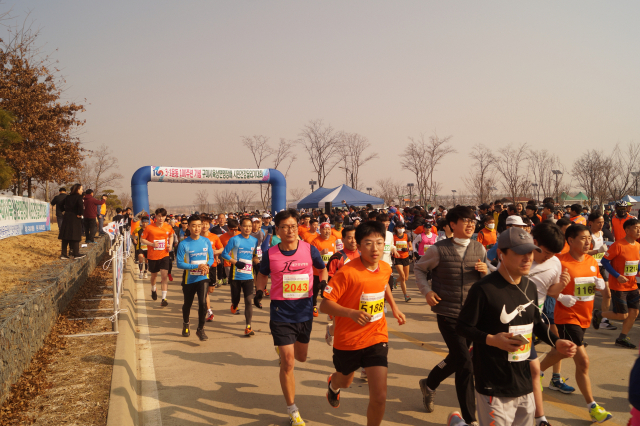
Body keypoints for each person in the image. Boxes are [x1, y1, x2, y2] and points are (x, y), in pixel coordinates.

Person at [452, 227, 577, 426]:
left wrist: (557, 341)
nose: (527, 258)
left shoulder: (529, 287)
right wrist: (492, 339)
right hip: (493, 383)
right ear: (501, 254)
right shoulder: (483, 289)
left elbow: (536, 323)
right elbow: (462, 327)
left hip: (524, 382)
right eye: (520, 253)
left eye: (530, 252)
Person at [320, 220, 407, 426]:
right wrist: (350, 313)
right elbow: (325, 305)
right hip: (348, 339)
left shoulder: (385, 267)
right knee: (346, 381)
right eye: (368, 243)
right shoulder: (347, 273)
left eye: (379, 242)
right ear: (358, 247)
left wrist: (394, 307)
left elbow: (383, 283)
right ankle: (334, 384)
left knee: (379, 396)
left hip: (376, 336)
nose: (375, 248)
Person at [414, 206, 488, 425]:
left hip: (474, 316)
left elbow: (487, 277)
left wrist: (486, 271)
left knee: (458, 358)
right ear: (451, 225)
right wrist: (427, 292)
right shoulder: (438, 250)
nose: (470, 224)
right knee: (465, 363)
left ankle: (429, 384)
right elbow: (419, 269)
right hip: (449, 314)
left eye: (472, 220)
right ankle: (470, 419)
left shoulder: (480, 248)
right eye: (465, 220)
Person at [254, 208, 327, 426]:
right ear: (277, 230)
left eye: (293, 226)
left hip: (304, 312)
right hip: (281, 313)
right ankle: (293, 411)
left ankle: (284, 349)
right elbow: (262, 274)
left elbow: (322, 269)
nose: (290, 231)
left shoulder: (309, 249)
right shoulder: (271, 254)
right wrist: (259, 290)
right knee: (288, 361)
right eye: (285, 227)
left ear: (298, 227)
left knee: (301, 357)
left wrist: (323, 283)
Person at [539, 224, 613, 423]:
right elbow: (544, 287)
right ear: (570, 240)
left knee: (563, 350)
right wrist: (561, 296)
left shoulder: (591, 260)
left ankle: (537, 370)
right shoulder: (558, 261)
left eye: (589, 238)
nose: (588, 242)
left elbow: (593, 282)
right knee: (583, 361)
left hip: (585, 316)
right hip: (567, 315)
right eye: (583, 238)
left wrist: (599, 283)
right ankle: (592, 406)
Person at [528, 222, 575, 423]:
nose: (548, 257)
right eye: (546, 252)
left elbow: (549, 292)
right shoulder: (516, 258)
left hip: (533, 321)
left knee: (533, 370)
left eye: (552, 254)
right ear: (534, 242)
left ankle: (540, 418)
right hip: (505, 322)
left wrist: (562, 286)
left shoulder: (555, 262)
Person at [593, 218, 640, 348]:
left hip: (633, 285)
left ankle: (622, 338)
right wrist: (617, 275)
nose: (638, 230)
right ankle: (599, 314)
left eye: (639, 227)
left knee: (634, 313)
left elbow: (636, 263)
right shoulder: (618, 245)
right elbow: (605, 261)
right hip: (619, 286)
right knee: (622, 315)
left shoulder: (637, 245)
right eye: (636, 227)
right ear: (627, 230)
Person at [176, 215, 214, 341]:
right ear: (189, 226)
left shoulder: (206, 241)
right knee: (188, 304)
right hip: (189, 279)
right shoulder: (183, 244)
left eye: (199, 225)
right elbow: (180, 263)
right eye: (194, 225)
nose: (197, 228)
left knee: (203, 303)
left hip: (203, 278)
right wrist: (197, 266)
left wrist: (207, 265)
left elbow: (211, 258)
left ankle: (200, 329)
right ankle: (186, 323)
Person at [220, 216, 260, 336]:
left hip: (248, 275)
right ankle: (234, 304)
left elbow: (254, 254)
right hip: (235, 275)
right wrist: (236, 262)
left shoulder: (254, 240)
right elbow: (224, 254)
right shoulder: (234, 239)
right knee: (236, 299)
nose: (247, 228)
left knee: (248, 300)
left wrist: (257, 262)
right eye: (245, 226)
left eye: (249, 226)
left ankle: (248, 326)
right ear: (240, 227)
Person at [587, 211, 616, 331]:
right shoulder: (587, 235)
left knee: (607, 294)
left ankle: (603, 319)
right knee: (587, 296)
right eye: (598, 222)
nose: (601, 225)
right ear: (590, 223)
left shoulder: (601, 232)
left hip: (601, 267)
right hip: (589, 267)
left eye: (603, 222)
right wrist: (597, 251)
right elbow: (582, 252)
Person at [140, 208, 175, 305]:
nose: (161, 218)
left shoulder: (168, 227)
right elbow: (142, 239)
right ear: (155, 216)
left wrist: (170, 245)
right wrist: (151, 244)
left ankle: (164, 298)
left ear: (165, 217)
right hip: (152, 256)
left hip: (164, 255)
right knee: (154, 276)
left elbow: (171, 235)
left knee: (164, 276)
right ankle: (153, 289)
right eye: (159, 216)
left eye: (163, 216)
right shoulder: (149, 228)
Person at [310, 222, 337, 317]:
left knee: (329, 291)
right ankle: (314, 306)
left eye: (329, 229)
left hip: (330, 272)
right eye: (325, 229)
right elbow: (310, 256)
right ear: (320, 230)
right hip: (317, 272)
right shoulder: (315, 241)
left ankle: (330, 309)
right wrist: (320, 253)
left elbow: (336, 252)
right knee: (315, 291)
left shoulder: (334, 239)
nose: (327, 231)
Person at [58, 184, 86, 260]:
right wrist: (80, 214)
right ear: (77, 189)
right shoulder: (79, 197)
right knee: (75, 235)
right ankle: (76, 254)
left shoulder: (67, 197)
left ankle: (63, 254)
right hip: (75, 217)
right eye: (81, 189)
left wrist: (64, 211)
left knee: (65, 235)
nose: (82, 190)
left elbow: (60, 204)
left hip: (67, 217)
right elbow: (80, 206)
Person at [392, 222, 412, 302]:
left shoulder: (407, 236)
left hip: (405, 257)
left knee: (406, 278)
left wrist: (407, 249)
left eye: (402, 227)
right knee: (403, 276)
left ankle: (395, 280)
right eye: (399, 227)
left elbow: (411, 247)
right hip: (397, 258)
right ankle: (405, 295)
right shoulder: (393, 237)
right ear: (396, 228)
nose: (401, 228)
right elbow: (391, 247)